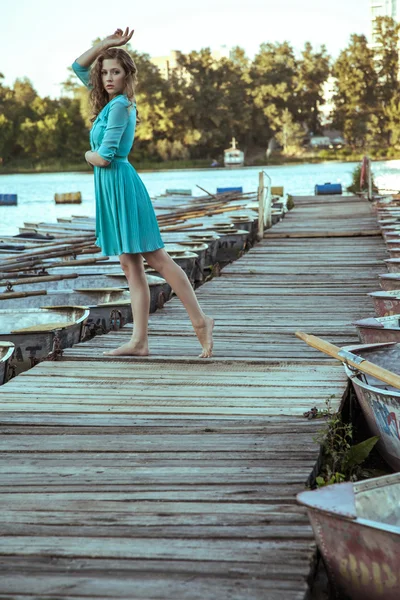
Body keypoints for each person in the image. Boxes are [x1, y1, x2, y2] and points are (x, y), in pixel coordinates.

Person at [72, 28, 214, 358]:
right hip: (112, 189)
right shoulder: (108, 103)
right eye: (105, 72)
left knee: (156, 258)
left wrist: (86, 155)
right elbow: (79, 67)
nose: (108, 77)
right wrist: (105, 46)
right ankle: (139, 341)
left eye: (115, 72)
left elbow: (104, 157)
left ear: (127, 76)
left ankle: (201, 321)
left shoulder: (121, 106)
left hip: (121, 185)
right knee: (129, 265)